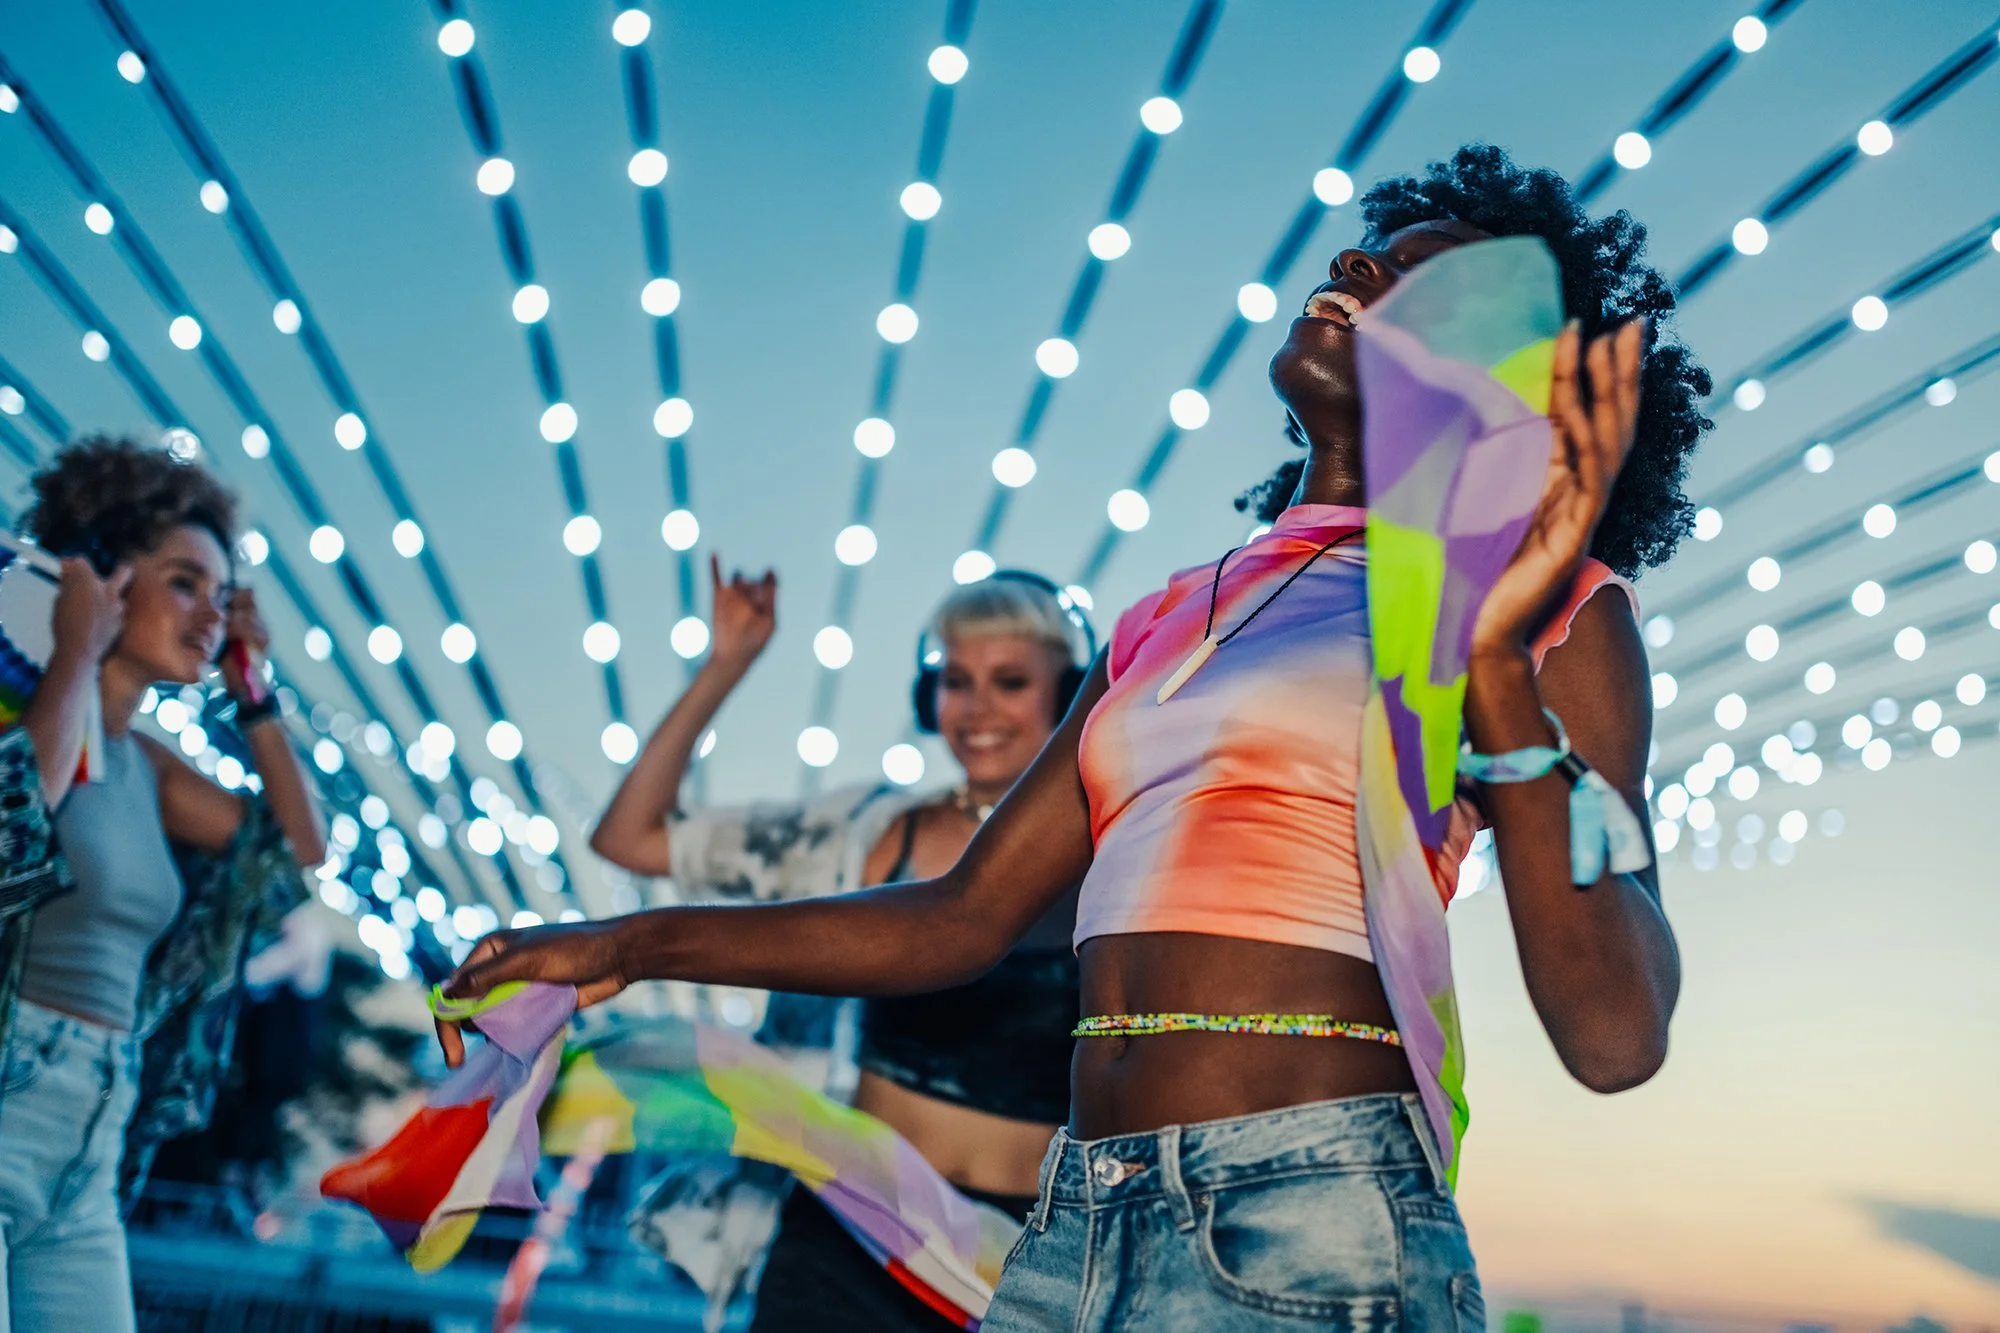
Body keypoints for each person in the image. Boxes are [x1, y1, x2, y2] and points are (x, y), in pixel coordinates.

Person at [437, 145, 1711, 1329]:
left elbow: (1614, 1034)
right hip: (1072, 1225)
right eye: (1366, 251)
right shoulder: (1166, 615)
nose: (1355, 265)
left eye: (1418, 277)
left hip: (1312, 1212)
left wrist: (1489, 666)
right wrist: (630, 943)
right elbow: (958, 917)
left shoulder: (1553, 608)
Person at [589, 556, 1094, 1331]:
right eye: (955, 680)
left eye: (1011, 680)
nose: (976, 707)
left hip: (1027, 1264)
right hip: (848, 1237)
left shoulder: (1121, 849)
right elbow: (631, 835)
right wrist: (726, 666)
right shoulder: (868, 831)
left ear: (1068, 692)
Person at [0, 437, 329, 1331]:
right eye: (184, 583)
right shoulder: (16, 720)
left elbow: (295, 851)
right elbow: (15, 819)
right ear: (102, 575)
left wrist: (252, 686)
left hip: (88, 1145)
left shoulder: (149, 768)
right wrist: (77, 647)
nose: (209, 615)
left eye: (221, 597)